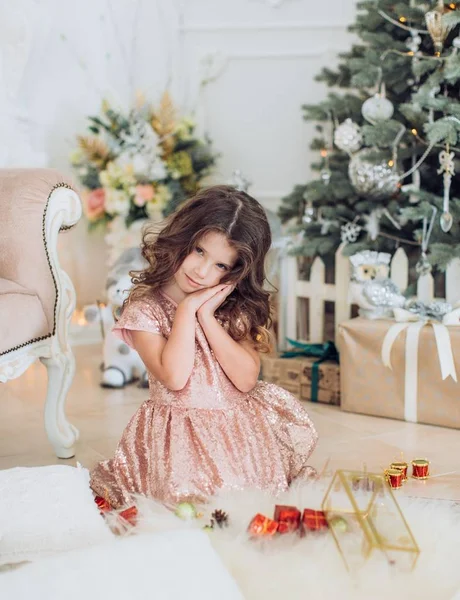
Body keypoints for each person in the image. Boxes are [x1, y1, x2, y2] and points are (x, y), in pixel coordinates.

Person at [90, 185, 318, 508]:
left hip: (238, 434)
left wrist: (207, 316)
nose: (201, 271)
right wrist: (186, 311)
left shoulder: (229, 308)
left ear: (235, 273)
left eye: (221, 266)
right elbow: (175, 377)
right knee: (189, 503)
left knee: (248, 502)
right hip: (178, 439)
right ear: (183, 238)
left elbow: (246, 380)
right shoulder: (146, 309)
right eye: (199, 251)